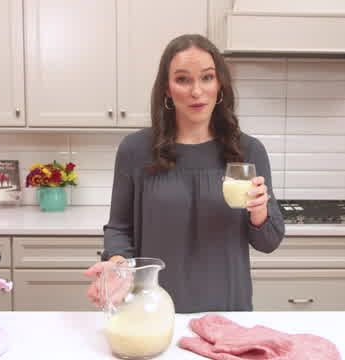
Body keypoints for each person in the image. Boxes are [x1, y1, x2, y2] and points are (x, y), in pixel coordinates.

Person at [84, 34, 285, 313]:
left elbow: (269, 242)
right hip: (152, 308)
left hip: (227, 309)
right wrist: (118, 266)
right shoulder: (135, 150)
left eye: (206, 78)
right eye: (182, 79)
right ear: (167, 89)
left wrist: (259, 212)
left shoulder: (248, 151)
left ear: (220, 85)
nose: (196, 91)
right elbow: (119, 228)